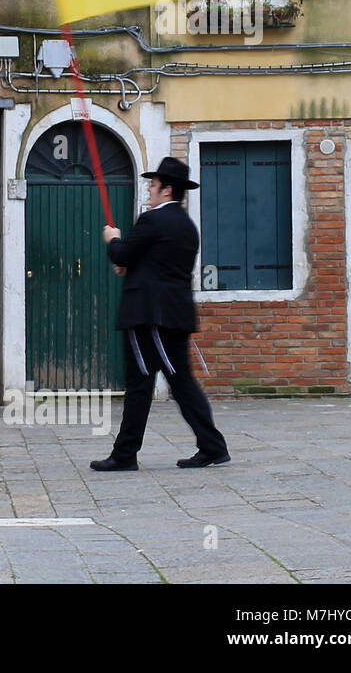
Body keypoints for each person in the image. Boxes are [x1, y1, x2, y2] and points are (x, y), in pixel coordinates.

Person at [91, 157, 230, 472]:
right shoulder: (186, 226)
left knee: (144, 385)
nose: (150, 191)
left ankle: (127, 454)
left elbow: (126, 252)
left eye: (153, 186)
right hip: (173, 314)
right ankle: (210, 446)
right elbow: (157, 263)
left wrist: (113, 240)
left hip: (150, 317)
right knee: (177, 382)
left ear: (167, 190)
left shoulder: (153, 220)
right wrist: (130, 263)